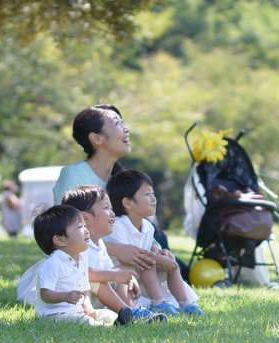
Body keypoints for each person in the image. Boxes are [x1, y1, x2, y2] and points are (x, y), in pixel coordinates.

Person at [52, 104, 178, 274]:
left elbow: (134, 222)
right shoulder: (74, 175)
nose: (126, 129)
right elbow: (62, 231)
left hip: (124, 261)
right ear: (96, 138)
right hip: (84, 266)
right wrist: (116, 249)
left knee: (164, 254)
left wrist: (155, 248)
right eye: (117, 123)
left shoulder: (121, 178)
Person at [61, 185, 166, 323]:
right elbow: (82, 273)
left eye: (111, 208)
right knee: (105, 278)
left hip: (97, 300)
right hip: (79, 302)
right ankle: (126, 310)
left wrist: (125, 277)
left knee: (118, 274)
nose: (112, 213)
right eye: (106, 208)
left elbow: (111, 269)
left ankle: (131, 309)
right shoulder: (78, 247)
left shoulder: (100, 244)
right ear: (85, 218)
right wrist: (114, 275)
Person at [104, 169, 203, 315]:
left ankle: (186, 303)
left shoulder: (147, 226)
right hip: (122, 279)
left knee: (166, 258)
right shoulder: (118, 226)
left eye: (153, 193)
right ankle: (158, 303)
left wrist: (161, 254)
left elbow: (148, 249)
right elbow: (129, 258)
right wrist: (157, 258)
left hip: (141, 274)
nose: (153, 198)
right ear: (128, 203)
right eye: (147, 194)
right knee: (149, 262)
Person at [31, 204, 122, 326]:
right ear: (59, 240)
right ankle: (106, 327)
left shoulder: (82, 259)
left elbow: (83, 291)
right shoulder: (53, 263)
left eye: (85, 225)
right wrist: (65, 296)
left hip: (76, 312)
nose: (86, 230)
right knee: (84, 322)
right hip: (53, 315)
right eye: (80, 227)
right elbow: (45, 294)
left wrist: (88, 307)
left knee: (107, 314)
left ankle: (120, 319)